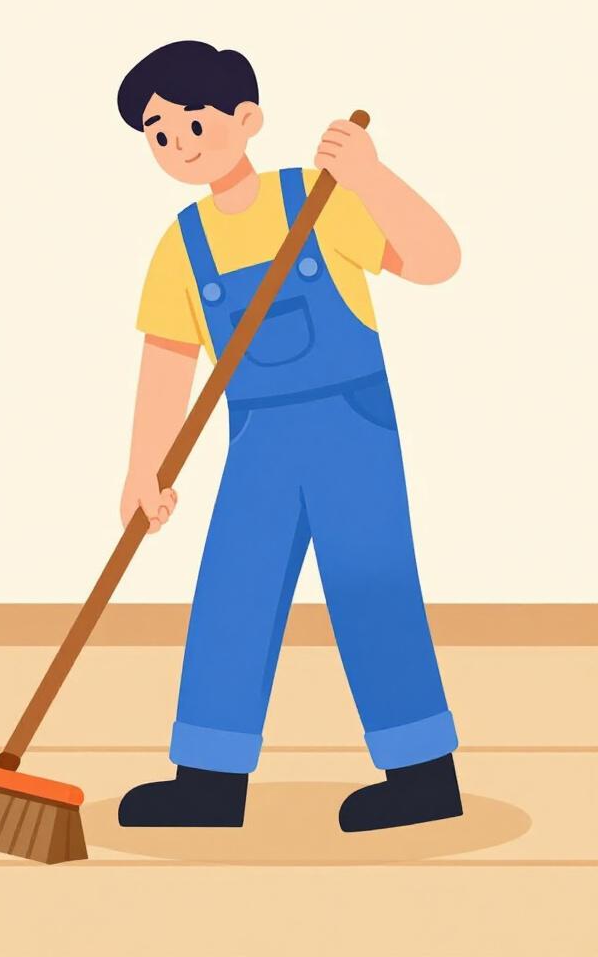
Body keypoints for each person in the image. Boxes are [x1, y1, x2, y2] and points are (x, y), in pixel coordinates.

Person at [116, 41, 463, 832]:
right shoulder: (182, 244)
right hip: (260, 444)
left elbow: (438, 260)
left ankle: (421, 773)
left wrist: (370, 176)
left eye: (191, 122)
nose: (178, 145)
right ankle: (208, 778)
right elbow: (168, 357)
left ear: (248, 120)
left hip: (352, 434)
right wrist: (145, 467)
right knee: (233, 591)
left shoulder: (315, 197)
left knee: (372, 585)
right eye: (159, 135)